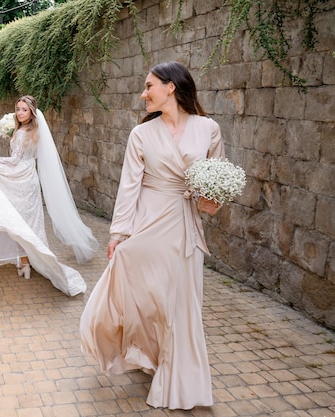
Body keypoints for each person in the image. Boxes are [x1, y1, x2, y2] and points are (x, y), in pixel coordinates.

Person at [79, 62, 224, 409]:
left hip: (185, 225)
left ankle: (179, 378)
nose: (143, 94)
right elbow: (129, 187)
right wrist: (118, 233)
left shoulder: (209, 129)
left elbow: (217, 179)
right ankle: (144, 350)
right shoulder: (141, 134)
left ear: (171, 87)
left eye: (149, 86)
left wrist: (212, 201)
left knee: (182, 303)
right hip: (149, 224)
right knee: (151, 299)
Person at [0, 95, 98, 296]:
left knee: (19, 221)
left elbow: (15, 159)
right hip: (29, 177)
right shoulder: (34, 131)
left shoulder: (24, 133)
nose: (19, 113)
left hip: (21, 178)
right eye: (17, 109)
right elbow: (29, 157)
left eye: (24, 109)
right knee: (28, 222)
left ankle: (25, 262)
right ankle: (25, 262)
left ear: (32, 112)